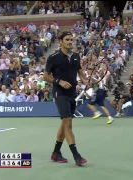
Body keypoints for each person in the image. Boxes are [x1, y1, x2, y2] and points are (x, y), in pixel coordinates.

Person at [44, 31, 89, 166]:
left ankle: (56, 152)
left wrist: (85, 79)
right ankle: (76, 156)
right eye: (67, 39)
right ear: (61, 41)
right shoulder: (54, 57)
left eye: (71, 39)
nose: (70, 42)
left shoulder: (75, 56)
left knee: (65, 123)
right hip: (60, 93)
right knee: (68, 123)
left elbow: (80, 72)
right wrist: (59, 81)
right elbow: (46, 76)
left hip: (72, 94)